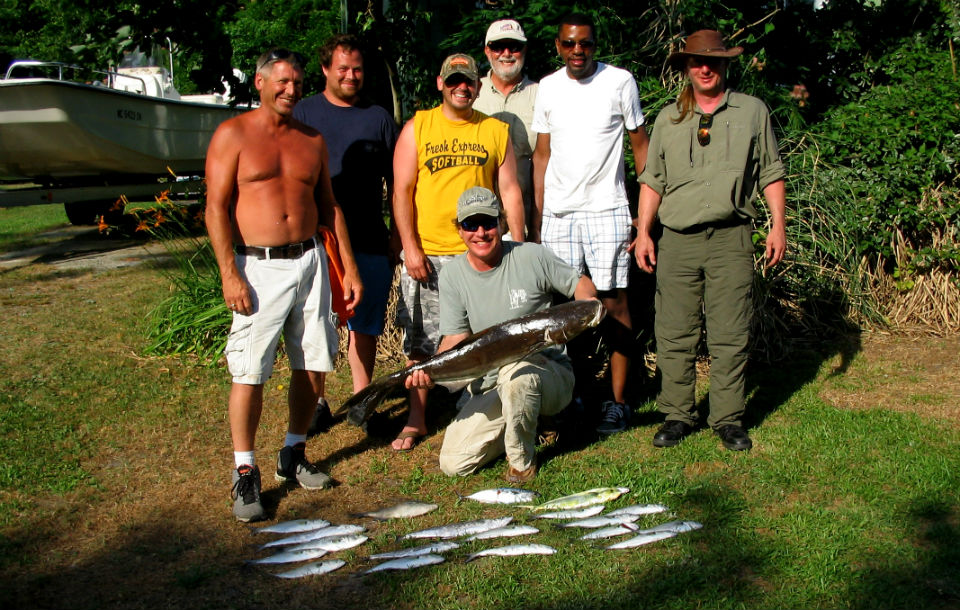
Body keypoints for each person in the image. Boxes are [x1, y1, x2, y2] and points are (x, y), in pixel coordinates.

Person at [205, 48, 362, 522]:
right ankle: (245, 470)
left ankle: (294, 452)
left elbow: (329, 205)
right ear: (259, 82)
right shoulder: (233, 135)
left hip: (310, 261)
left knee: (314, 362)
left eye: (296, 82)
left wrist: (348, 267)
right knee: (250, 370)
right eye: (281, 82)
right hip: (259, 266)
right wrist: (229, 272)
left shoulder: (311, 140)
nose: (291, 90)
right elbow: (215, 208)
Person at [631, 30, 787, 451]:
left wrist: (778, 225)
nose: (705, 68)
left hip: (731, 238)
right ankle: (678, 415)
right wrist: (645, 232)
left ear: (725, 65)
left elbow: (771, 171)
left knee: (729, 331)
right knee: (674, 331)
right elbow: (653, 181)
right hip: (677, 240)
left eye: (713, 62)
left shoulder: (752, 112)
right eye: (697, 62)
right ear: (686, 67)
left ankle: (728, 418)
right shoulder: (668, 119)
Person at [405, 186, 598, 482]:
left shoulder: (531, 256)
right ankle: (529, 422)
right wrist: (431, 369)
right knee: (454, 463)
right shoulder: (453, 275)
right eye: (471, 224)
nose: (480, 232)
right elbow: (455, 339)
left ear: (502, 223)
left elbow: (580, 284)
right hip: (492, 385)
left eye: (488, 223)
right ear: (459, 230)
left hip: (547, 373)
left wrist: (588, 308)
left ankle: (522, 463)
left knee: (516, 374)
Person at [391, 53, 525, 452]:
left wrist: (515, 243)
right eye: (454, 81)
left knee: (486, 339)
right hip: (429, 258)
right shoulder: (419, 127)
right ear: (440, 83)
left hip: (480, 254)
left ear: (478, 85)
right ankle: (416, 418)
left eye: (467, 80)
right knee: (422, 343)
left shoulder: (494, 131)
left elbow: (511, 190)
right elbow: (401, 192)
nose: (461, 87)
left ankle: (481, 410)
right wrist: (410, 248)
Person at [531, 13, 649, 437]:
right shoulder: (547, 87)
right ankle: (572, 398)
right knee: (566, 311)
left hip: (607, 210)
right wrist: (538, 216)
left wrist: (644, 213)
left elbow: (640, 146)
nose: (577, 51)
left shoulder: (620, 82)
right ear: (558, 46)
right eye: (569, 44)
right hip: (559, 215)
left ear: (595, 45)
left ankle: (618, 403)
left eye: (585, 44)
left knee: (615, 303)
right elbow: (541, 156)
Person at [293, 34, 399, 433]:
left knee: (365, 324)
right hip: (319, 237)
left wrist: (396, 235)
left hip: (370, 235)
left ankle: (362, 399)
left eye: (357, 69)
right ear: (325, 70)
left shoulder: (378, 117)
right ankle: (317, 401)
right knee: (317, 322)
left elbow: (398, 179)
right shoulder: (304, 113)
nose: (351, 76)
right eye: (343, 69)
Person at [472, 19, 539, 238]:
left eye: (514, 46)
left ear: (524, 50)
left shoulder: (541, 95)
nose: (506, 53)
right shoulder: (470, 95)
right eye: (498, 46)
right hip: (477, 224)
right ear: (487, 50)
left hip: (529, 221)